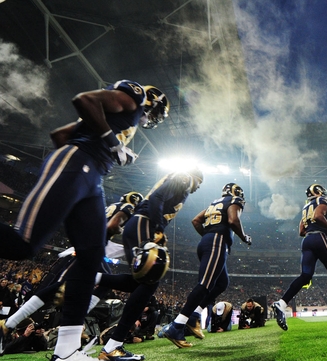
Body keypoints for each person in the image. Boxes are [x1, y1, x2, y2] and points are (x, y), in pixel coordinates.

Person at [0, 80, 168, 361]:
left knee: (91, 258)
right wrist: (111, 144)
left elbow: (60, 133)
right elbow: (85, 99)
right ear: (154, 102)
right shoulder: (134, 99)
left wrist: (96, 146)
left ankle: (66, 351)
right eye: (156, 113)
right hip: (79, 164)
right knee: (23, 246)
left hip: (92, 177)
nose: (152, 119)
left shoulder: (121, 119)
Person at [0, 192, 143, 339]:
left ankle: (78, 317)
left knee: (102, 281)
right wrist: (129, 242)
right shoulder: (127, 208)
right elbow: (112, 227)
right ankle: (10, 322)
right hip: (87, 249)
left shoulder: (112, 206)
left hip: (91, 249)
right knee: (61, 286)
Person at [96, 167, 203, 360]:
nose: (198, 187)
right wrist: (158, 228)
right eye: (200, 182)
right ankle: (113, 346)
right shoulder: (185, 178)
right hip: (143, 223)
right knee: (150, 280)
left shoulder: (181, 180)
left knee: (139, 282)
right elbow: (156, 198)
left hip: (139, 224)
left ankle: (91, 278)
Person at [162, 182, 251, 348]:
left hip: (208, 241)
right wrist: (244, 237)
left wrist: (207, 235)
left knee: (222, 283)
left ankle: (195, 315)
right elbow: (233, 220)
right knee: (204, 285)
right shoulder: (235, 200)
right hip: (217, 243)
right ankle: (177, 325)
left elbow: (196, 220)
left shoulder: (214, 203)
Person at [272, 184, 327, 331]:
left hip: (307, 240)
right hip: (319, 237)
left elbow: (301, 230)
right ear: (320, 192)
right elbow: (318, 216)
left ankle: (282, 303)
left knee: (305, 276)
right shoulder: (322, 200)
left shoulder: (306, 207)